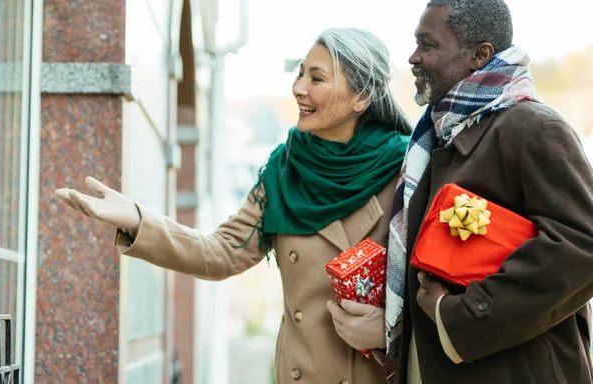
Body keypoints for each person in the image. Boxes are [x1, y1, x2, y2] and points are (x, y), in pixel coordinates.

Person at [55, 28, 412, 383]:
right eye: (300, 72)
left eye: (316, 78)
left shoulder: (409, 169)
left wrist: (389, 333)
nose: (298, 87)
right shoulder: (284, 169)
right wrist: (137, 219)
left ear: (361, 98)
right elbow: (223, 251)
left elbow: (439, 292)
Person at [381, 0, 593, 383]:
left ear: (479, 55)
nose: (413, 58)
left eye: (427, 46)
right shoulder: (433, 136)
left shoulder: (533, 127)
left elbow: (583, 246)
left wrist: (458, 317)